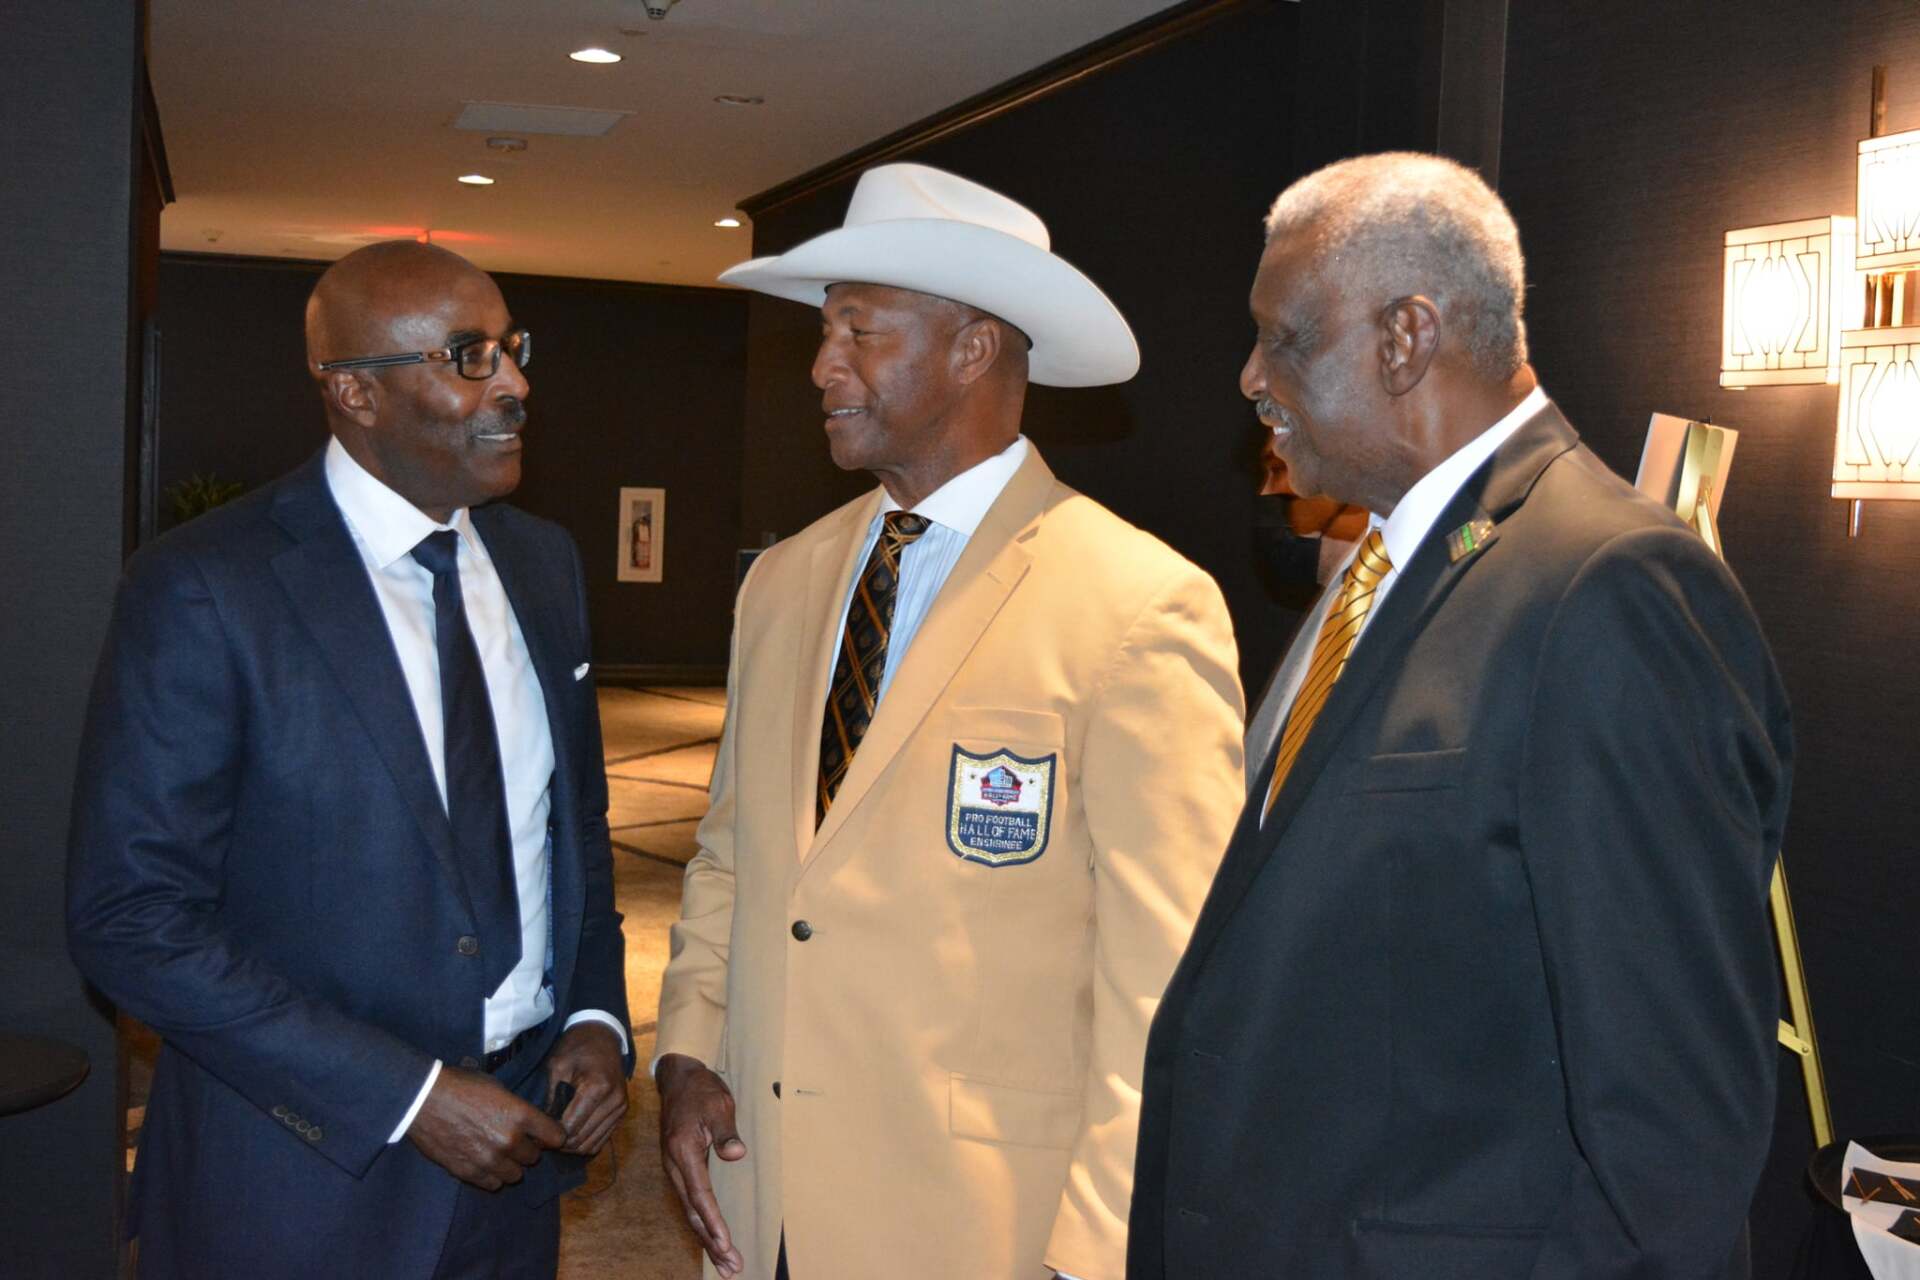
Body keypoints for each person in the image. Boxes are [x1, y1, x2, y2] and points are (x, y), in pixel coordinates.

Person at [1128, 153, 1793, 1278]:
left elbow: (1671, 1143)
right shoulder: (1386, 565)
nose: (1250, 377)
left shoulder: (1611, 590)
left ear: (1406, 338)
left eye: (1282, 338)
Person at [654, 163, 1246, 1280]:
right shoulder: (781, 581)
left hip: (981, 1228)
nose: (822, 365)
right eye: (824, 331)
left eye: (859, 330)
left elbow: (1167, 977)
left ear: (973, 348)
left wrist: (1099, 1247)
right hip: (761, 1200)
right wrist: (687, 1048)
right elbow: (731, 855)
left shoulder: (1137, 603)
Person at [67, 241, 633, 1278]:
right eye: (468, 355)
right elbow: (131, 917)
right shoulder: (208, 586)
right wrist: (409, 1096)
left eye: (511, 346)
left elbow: (574, 829)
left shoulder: (542, 563)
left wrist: (595, 1016)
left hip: (518, 1162)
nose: (514, 382)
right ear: (355, 392)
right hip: (295, 1182)